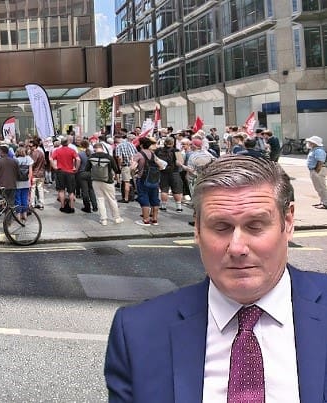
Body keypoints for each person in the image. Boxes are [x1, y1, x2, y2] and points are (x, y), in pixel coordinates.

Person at [104, 155, 327, 402]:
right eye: (221, 227)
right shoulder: (137, 332)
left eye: (255, 225)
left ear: (288, 221)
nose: (237, 247)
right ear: (197, 229)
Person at [86, 142, 122, 226]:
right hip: (108, 180)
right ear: (102, 148)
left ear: (94, 149)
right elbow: (116, 169)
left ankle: (103, 219)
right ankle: (117, 218)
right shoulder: (109, 157)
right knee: (111, 199)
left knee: (100, 199)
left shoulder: (91, 157)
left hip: (95, 180)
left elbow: (87, 169)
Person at [131, 137, 161, 226]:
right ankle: (155, 219)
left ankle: (146, 220)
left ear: (141, 145)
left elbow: (132, 167)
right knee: (155, 198)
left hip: (142, 179)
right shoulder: (153, 154)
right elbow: (161, 165)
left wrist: (133, 170)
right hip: (154, 179)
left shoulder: (138, 154)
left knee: (144, 198)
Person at [52, 138, 80, 213]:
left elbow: (51, 159)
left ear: (61, 143)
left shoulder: (57, 151)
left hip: (60, 171)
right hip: (70, 172)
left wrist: (54, 167)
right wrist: (76, 168)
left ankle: (62, 206)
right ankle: (72, 207)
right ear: (67, 143)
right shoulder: (72, 150)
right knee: (71, 191)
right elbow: (78, 159)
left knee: (61, 190)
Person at [305, 135, 327, 209]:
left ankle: (325, 203)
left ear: (314, 143)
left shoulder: (318, 150)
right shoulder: (315, 149)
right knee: (318, 187)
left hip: (318, 170)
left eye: (310, 142)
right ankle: (323, 201)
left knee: (321, 187)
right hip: (315, 170)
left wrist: (316, 171)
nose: (308, 143)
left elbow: (320, 161)